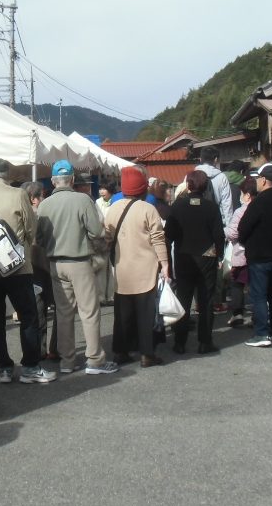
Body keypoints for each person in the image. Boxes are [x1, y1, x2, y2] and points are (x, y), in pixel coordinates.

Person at [0, 158, 54, 384]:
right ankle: (30, 367)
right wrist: (22, 246)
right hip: (18, 267)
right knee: (28, 316)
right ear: (7, 175)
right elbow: (31, 228)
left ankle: (4, 369)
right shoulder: (18, 195)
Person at [36, 160, 118, 375]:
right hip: (80, 262)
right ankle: (95, 360)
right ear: (72, 179)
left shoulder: (44, 205)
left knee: (63, 313)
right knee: (89, 312)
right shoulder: (83, 200)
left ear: (53, 181)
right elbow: (96, 231)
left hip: (56, 264)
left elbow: (39, 238)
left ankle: (67, 361)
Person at [104, 166, 171, 368]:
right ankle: (147, 354)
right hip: (146, 269)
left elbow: (107, 238)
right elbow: (158, 238)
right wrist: (165, 264)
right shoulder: (148, 209)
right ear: (142, 188)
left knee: (122, 314)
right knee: (145, 313)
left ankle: (120, 352)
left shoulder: (113, 208)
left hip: (122, 269)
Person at [164, 170, 225, 355]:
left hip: (183, 257)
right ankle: (205, 342)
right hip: (207, 257)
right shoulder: (211, 207)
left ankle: (179, 342)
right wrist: (219, 255)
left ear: (188, 185)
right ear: (206, 186)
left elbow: (168, 236)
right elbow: (219, 235)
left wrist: (167, 262)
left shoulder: (177, 206)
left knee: (183, 299)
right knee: (206, 300)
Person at [238, 163, 272, 347]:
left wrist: (244, 241)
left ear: (265, 180)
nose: (257, 182)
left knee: (259, 295)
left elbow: (243, 227)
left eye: (258, 178)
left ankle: (261, 333)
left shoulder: (258, 202)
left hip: (259, 255)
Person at [21, 181, 59, 362]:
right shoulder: (43, 215)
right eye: (42, 196)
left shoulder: (18, 216)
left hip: (27, 269)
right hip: (47, 266)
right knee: (60, 308)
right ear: (34, 199)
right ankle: (55, 348)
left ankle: (39, 349)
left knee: (37, 310)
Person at [225, 178, 257, 328]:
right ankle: (258, 315)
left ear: (247, 195)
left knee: (237, 283)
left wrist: (224, 231)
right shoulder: (262, 207)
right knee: (256, 285)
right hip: (257, 254)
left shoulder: (241, 211)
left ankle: (237, 314)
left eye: (242, 194)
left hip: (241, 253)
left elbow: (232, 233)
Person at [195, 147, 233, 237]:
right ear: (216, 159)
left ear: (200, 159)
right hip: (216, 222)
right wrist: (229, 228)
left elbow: (186, 199)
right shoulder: (222, 177)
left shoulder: (191, 176)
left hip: (196, 221)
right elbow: (227, 204)